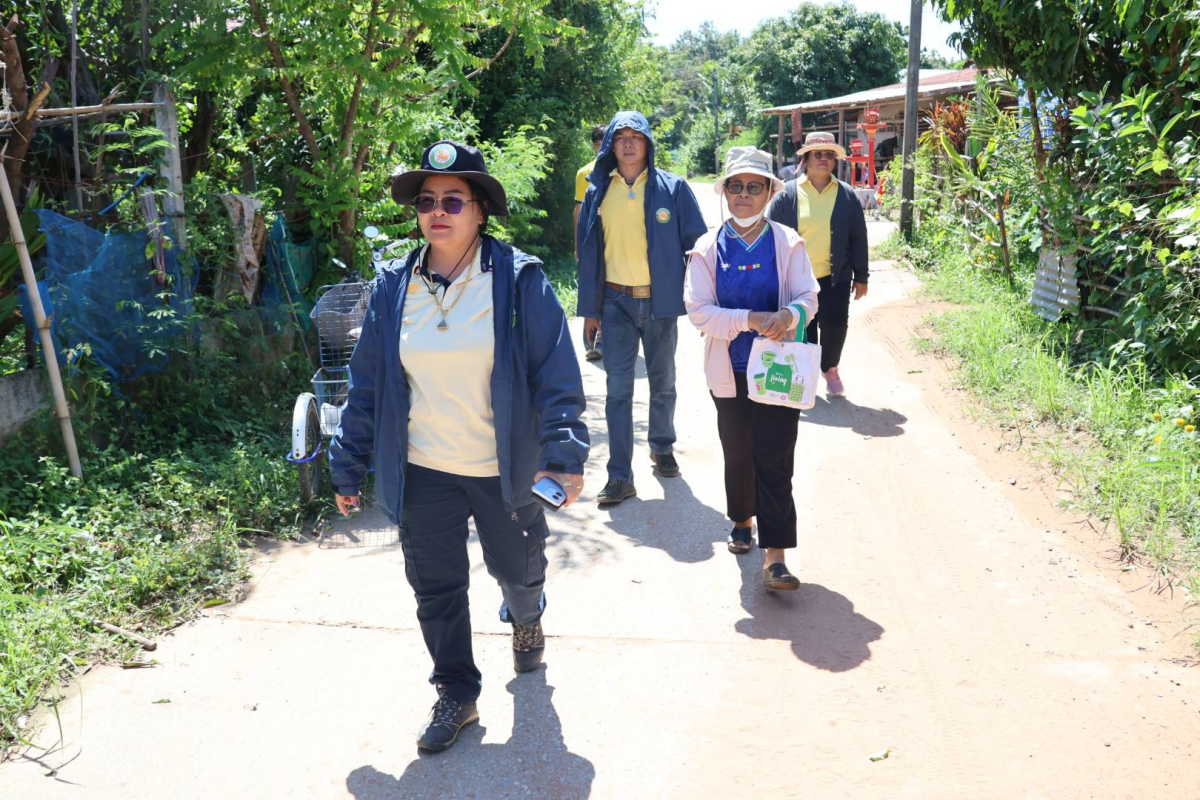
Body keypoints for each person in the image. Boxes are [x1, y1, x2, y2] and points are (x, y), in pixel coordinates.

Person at [329, 140, 590, 753]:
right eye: (426, 202)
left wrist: (564, 455)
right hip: (423, 471)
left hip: (505, 469)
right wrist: (347, 464)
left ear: (480, 211)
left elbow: (556, 374)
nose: (437, 211)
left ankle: (526, 619)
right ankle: (457, 692)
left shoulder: (518, 280)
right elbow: (366, 384)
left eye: (453, 200)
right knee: (436, 588)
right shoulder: (395, 286)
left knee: (518, 570)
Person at [684, 146, 818, 590]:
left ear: (768, 193)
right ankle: (742, 517)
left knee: (776, 458)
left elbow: (808, 296)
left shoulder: (787, 242)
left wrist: (791, 316)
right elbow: (699, 311)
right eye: (736, 186)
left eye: (754, 187)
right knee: (738, 451)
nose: (745, 194)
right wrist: (752, 319)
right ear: (724, 192)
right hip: (729, 369)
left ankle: (775, 556)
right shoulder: (707, 248)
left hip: (778, 369)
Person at [576, 110, 708, 505]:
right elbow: (588, 254)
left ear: (648, 143)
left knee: (663, 381)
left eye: (637, 136)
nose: (629, 143)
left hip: (661, 302)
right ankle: (620, 475)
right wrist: (590, 310)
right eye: (621, 137)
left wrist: (703, 303)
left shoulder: (673, 188)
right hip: (615, 302)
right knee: (617, 391)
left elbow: (699, 247)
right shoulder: (599, 190)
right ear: (610, 146)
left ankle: (661, 445)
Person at [766, 131, 868, 396]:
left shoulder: (847, 196)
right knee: (804, 328)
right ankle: (806, 374)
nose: (823, 159)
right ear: (807, 159)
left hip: (835, 277)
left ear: (834, 161)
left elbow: (858, 238)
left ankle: (829, 368)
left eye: (828, 155)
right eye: (817, 154)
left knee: (836, 326)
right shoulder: (786, 195)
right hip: (798, 279)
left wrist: (862, 277)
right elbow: (769, 237)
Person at [574, 124, 607, 360]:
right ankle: (590, 342)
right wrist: (578, 244)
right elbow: (578, 211)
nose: (601, 149)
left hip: (611, 241)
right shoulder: (584, 173)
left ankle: (605, 339)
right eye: (597, 145)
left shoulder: (618, 171)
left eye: (605, 144)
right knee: (589, 289)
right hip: (590, 239)